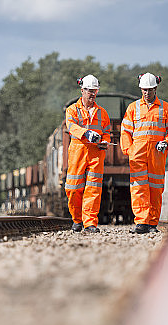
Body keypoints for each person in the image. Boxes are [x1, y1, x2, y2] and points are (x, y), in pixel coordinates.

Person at [120, 72, 168, 234]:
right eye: (144, 90)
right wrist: (129, 150)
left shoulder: (165, 108)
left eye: (150, 90)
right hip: (137, 154)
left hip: (157, 154)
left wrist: (166, 143)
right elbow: (125, 131)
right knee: (139, 188)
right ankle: (141, 222)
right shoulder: (133, 108)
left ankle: (152, 223)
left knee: (155, 188)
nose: (147, 93)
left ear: (156, 88)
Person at [64, 74, 111, 233]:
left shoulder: (102, 113)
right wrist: (86, 133)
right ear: (82, 90)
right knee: (73, 188)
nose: (92, 94)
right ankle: (77, 220)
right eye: (89, 91)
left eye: (94, 91)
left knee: (93, 189)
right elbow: (71, 127)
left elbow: (107, 132)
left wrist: (105, 141)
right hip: (78, 151)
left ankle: (90, 223)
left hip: (96, 153)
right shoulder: (72, 110)